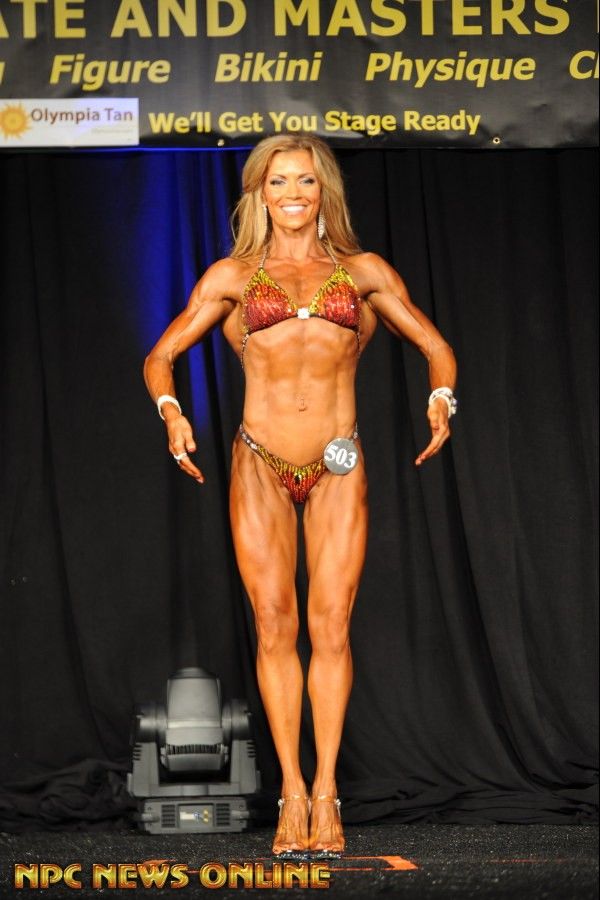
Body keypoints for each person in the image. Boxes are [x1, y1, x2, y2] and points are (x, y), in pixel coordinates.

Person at [143, 134, 457, 857]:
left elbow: (435, 346)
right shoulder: (233, 276)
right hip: (260, 461)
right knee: (274, 624)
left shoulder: (363, 271)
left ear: (324, 193)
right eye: (279, 181)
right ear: (259, 192)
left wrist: (442, 397)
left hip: (338, 462)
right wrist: (171, 412)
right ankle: (290, 790)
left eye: (306, 181)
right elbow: (161, 355)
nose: (292, 193)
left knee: (333, 627)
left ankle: (326, 791)